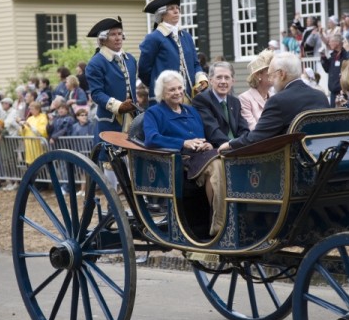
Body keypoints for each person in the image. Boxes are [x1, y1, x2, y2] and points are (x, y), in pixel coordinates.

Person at [143, 70, 224, 236]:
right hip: (180, 161)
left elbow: (202, 136)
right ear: (162, 93)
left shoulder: (191, 111)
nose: (178, 92)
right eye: (172, 90)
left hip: (203, 156)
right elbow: (151, 139)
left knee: (223, 162)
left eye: (180, 88)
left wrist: (207, 144)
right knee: (216, 165)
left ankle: (220, 217)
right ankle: (220, 224)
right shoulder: (154, 113)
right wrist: (182, 143)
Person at [217, 52, 329, 152]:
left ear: (281, 74)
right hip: (323, 158)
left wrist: (231, 144)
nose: (270, 80)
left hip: (292, 163)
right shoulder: (321, 96)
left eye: (271, 75)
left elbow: (257, 138)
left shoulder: (278, 100)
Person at [86, 16, 138, 190]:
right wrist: (118, 106)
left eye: (120, 34)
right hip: (109, 118)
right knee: (109, 158)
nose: (118, 38)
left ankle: (136, 199)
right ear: (103, 39)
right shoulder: (96, 63)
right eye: (113, 34)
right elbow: (96, 93)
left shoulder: (130, 60)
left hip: (131, 117)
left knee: (133, 155)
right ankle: (112, 200)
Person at [138, 0, 207, 104]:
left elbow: (195, 64)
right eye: (171, 9)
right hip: (164, 100)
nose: (176, 11)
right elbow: (144, 71)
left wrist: (201, 78)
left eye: (178, 8)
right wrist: (159, 87)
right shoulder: (154, 38)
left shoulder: (186, 36)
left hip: (189, 98)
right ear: (162, 14)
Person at [192, 62, 250, 148]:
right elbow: (212, 130)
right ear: (211, 80)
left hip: (238, 147)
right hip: (217, 148)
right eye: (219, 77)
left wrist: (244, 143)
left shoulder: (235, 101)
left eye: (227, 78)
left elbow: (243, 128)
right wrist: (232, 145)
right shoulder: (202, 100)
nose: (223, 81)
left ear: (233, 81)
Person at [239, 49, 275, 130]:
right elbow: (253, 129)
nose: (274, 74)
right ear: (258, 75)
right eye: (270, 70)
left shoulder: (274, 96)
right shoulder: (245, 98)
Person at [321, 34, 349, 107]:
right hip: (333, 92)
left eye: (331, 41)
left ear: (337, 43)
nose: (329, 43)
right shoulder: (333, 56)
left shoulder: (345, 55)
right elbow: (327, 69)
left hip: (342, 92)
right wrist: (323, 58)